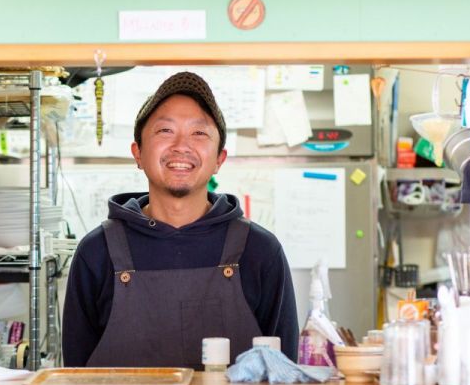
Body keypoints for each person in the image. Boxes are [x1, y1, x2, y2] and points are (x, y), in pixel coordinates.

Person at [62, 71, 298, 369]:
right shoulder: (96, 252)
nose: (181, 146)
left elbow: (285, 376)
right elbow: (75, 379)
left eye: (199, 133)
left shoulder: (260, 251)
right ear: (138, 152)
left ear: (219, 160)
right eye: (165, 131)